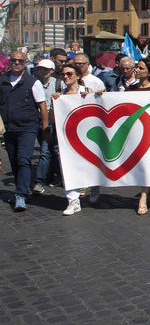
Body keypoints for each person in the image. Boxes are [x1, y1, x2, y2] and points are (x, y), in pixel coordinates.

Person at [0, 51, 52, 212]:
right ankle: (20, 190)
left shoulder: (33, 82)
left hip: (27, 128)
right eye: (14, 60)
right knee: (14, 161)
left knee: (23, 160)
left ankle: (21, 194)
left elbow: (42, 106)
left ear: (25, 62)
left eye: (20, 61)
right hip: (9, 129)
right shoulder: (2, 81)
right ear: (10, 61)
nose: (16, 63)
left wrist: (44, 128)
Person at [54, 63, 96, 215]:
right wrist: (55, 103)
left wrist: (91, 97)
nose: (65, 77)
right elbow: (54, 119)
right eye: (63, 74)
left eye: (69, 74)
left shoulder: (86, 91)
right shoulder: (61, 95)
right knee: (68, 168)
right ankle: (73, 201)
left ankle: (95, 186)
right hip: (67, 138)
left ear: (78, 76)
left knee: (91, 165)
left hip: (87, 135)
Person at [126, 59, 150, 215]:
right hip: (134, 133)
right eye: (136, 67)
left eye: (140, 68)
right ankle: (149, 188)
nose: (136, 69)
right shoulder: (130, 90)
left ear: (149, 72)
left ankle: (143, 196)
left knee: (147, 163)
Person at [33, 59, 62, 195]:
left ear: (51, 71)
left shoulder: (58, 83)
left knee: (45, 151)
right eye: (40, 69)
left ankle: (39, 182)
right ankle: (60, 175)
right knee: (50, 150)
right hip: (35, 120)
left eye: (45, 69)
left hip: (51, 121)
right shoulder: (33, 83)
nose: (42, 71)